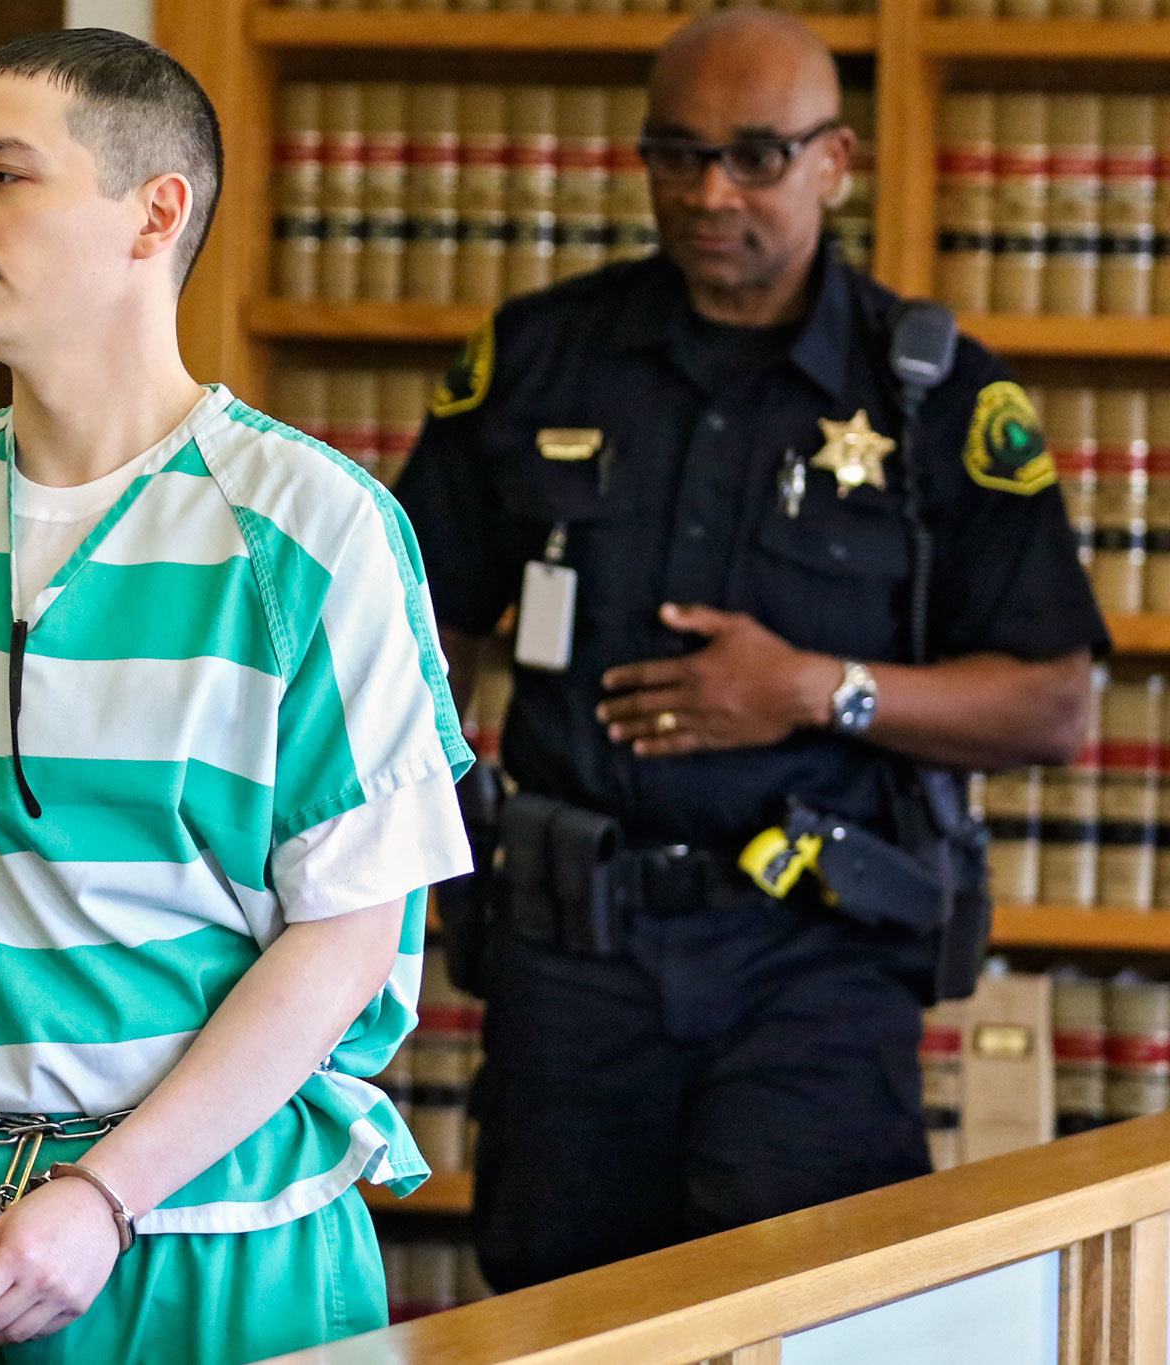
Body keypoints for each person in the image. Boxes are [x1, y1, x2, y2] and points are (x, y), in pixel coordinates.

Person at [0, 28, 472, 1364]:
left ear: (157, 213)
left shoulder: (316, 534)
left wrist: (102, 1194)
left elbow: (346, 938)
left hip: (217, 1237)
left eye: (6, 176)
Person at [394, 8, 1107, 1293]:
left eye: (754, 157)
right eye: (675, 155)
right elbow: (408, 641)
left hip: (813, 961)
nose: (709, 192)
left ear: (833, 160)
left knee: (806, 1314)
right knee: (559, 1318)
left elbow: (1050, 703)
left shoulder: (932, 400)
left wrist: (808, 691)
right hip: (572, 955)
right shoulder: (537, 362)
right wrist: (449, 835)